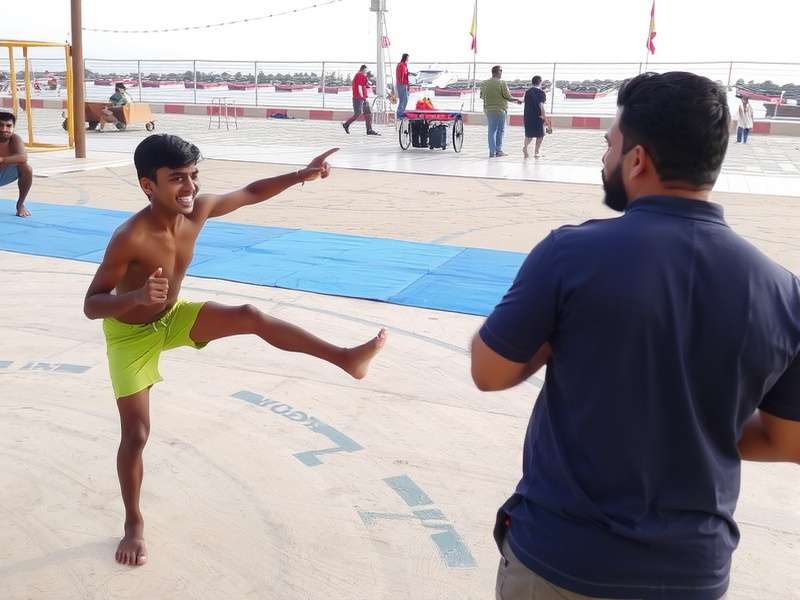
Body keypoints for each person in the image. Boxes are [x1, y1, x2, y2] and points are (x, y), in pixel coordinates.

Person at [470, 72, 800, 599]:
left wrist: (552, 338)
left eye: (610, 146)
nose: (605, 159)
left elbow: (489, 372)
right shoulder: (783, 290)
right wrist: (694, 422)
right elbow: (790, 441)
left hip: (561, 559)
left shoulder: (569, 254)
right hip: (692, 572)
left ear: (638, 160)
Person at [83, 134, 388, 567]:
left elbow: (249, 193)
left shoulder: (198, 210)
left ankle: (346, 358)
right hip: (130, 335)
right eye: (176, 180)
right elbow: (92, 304)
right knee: (136, 436)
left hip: (173, 317)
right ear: (148, 186)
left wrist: (303, 173)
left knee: (249, 314)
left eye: (193, 176)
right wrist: (134, 300)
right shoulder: (130, 236)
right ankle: (134, 523)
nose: (189, 188)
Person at [479, 66, 522, 158]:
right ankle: (498, 151)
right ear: (498, 72)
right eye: (501, 71)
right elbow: (508, 97)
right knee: (500, 130)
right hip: (500, 110)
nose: (502, 73)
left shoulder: (483, 83)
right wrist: (517, 100)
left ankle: (492, 152)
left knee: (491, 131)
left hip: (488, 109)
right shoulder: (502, 83)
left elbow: (482, 96)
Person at [0, 111, 33, 217]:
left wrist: (2, 159)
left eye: (8, 126)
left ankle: (20, 205)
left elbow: (23, 157)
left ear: (13, 127)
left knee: (26, 168)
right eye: (0, 125)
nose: (4, 129)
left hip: (5, 174)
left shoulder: (15, 139)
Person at [342, 65, 379, 136]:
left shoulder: (363, 76)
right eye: (366, 70)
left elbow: (367, 84)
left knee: (368, 113)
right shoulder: (359, 75)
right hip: (358, 98)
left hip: (363, 98)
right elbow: (359, 87)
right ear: (363, 70)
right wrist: (362, 97)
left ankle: (369, 130)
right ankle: (346, 124)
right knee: (358, 113)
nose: (367, 72)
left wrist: (371, 82)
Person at [522, 75, 550, 159]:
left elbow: (525, 102)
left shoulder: (527, 92)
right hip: (538, 117)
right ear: (540, 82)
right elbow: (541, 106)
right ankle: (536, 152)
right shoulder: (541, 93)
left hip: (527, 116)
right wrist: (545, 118)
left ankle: (525, 148)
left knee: (529, 135)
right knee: (540, 135)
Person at [395, 53, 417, 120]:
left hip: (404, 84)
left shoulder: (404, 65)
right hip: (402, 85)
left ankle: (401, 112)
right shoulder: (401, 65)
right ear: (405, 58)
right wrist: (403, 83)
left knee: (405, 99)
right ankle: (399, 114)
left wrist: (411, 73)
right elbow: (400, 75)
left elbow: (405, 73)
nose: (408, 59)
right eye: (408, 57)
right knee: (403, 100)